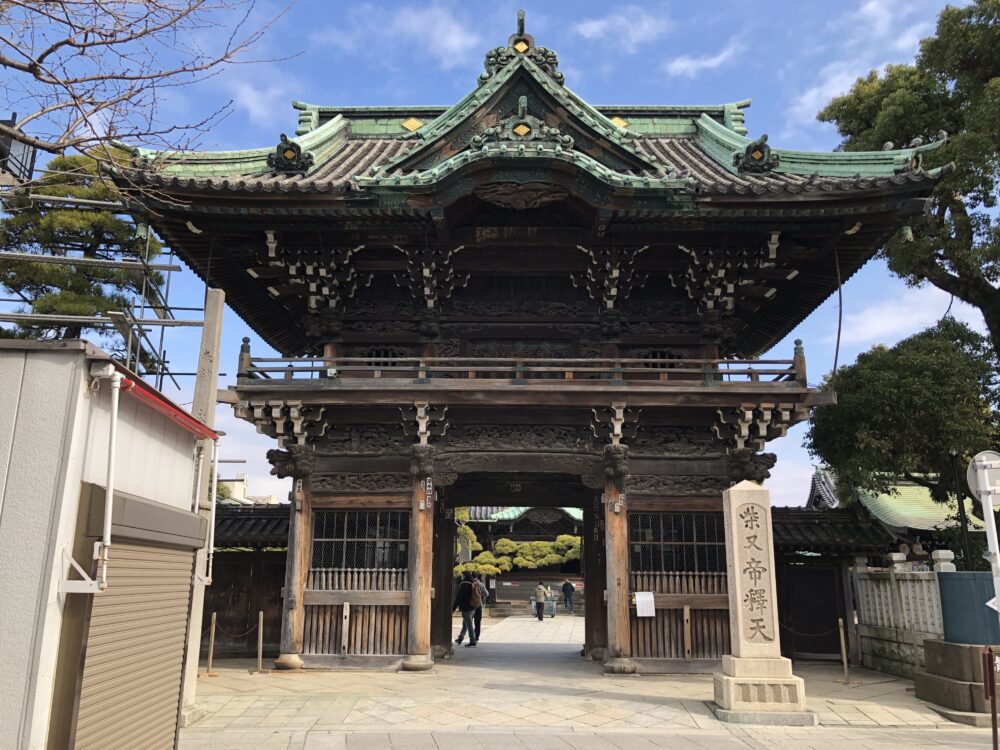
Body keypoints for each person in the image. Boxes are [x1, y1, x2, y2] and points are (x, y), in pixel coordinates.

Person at [453, 571, 480, 647]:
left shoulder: (463, 584)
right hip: (473, 607)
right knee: (465, 624)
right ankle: (460, 638)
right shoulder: (472, 583)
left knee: (469, 625)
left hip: (466, 608)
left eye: (462, 575)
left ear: (465, 576)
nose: (462, 577)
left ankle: (472, 640)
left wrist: (453, 608)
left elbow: (458, 597)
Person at [473, 573, 489, 642]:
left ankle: (462, 636)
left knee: (467, 622)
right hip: (478, 605)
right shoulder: (481, 584)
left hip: (470, 605)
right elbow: (486, 594)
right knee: (477, 622)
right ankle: (476, 637)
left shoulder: (469, 583)